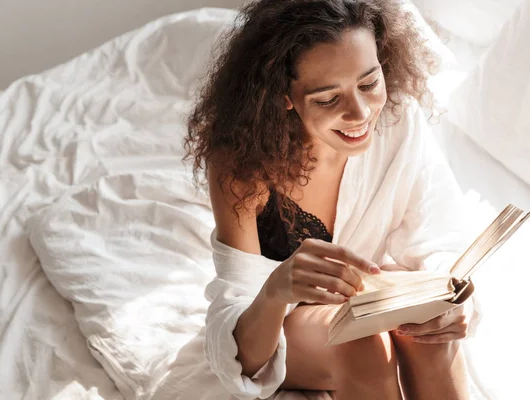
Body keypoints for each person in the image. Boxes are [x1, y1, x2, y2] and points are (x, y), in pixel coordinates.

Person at [185, 1, 479, 399]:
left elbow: (438, 234)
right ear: (283, 95)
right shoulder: (243, 165)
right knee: (362, 344)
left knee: (430, 332)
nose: (360, 113)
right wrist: (276, 290)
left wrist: (454, 301)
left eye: (369, 83)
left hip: (365, 300)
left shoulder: (398, 119)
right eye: (328, 99)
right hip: (284, 322)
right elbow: (244, 355)